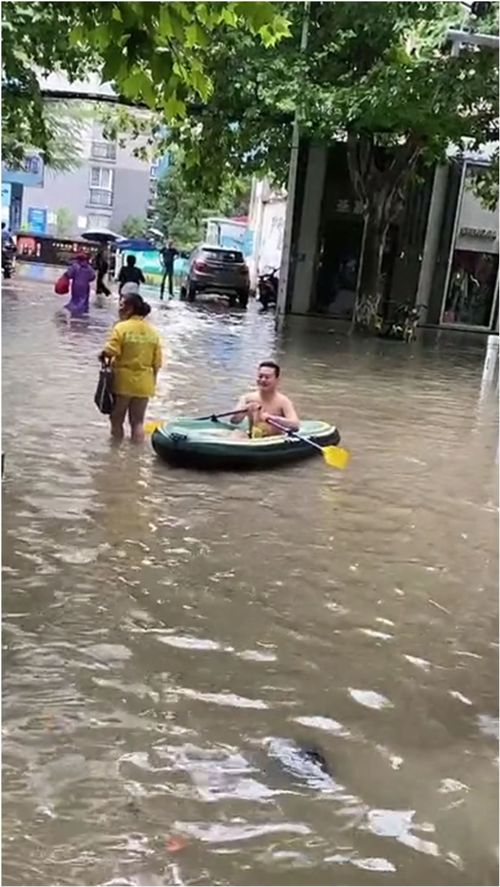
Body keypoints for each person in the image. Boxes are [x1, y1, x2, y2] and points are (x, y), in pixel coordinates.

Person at [99, 292, 162, 443]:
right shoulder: (152, 332)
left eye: (121, 306)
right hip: (144, 384)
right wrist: (152, 381)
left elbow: (110, 351)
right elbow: (157, 363)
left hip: (123, 382)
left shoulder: (121, 328)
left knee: (116, 419)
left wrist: (101, 355)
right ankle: (136, 456)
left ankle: (114, 454)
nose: (119, 309)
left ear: (130, 308)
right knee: (138, 422)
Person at [230, 360, 300, 438]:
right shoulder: (247, 398)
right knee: (236, 434)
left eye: (267, 377)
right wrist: (245, 409)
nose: (263, 380)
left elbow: (295, 425)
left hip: (274, 439)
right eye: (260, 376)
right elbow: (234, 421)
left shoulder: (283, 401)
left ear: (277, 380)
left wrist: (272, 418)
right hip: (252, 437)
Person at [64, 249, 96, 317]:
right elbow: (93, 277)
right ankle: (82, 312)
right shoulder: (89, 268)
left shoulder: (75, 266)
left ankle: (73, 311)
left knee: (75, 298)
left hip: (76, 285)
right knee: (84, 300)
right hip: (85, 286)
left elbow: (69, 274)